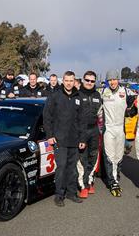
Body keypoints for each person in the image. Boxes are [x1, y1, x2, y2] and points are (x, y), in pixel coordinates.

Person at [43, 71, 87, 207]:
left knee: (72, 168)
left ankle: (72, 193)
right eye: (66, 80)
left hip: (74, 139)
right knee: (61, 168)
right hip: (59, 140)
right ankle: (59, 195)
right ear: (63, 81)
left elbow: (82, 120)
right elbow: (47, 116)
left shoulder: (79, 96)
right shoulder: (55, 96)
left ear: (74, 81)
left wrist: (82, 139)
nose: (69, 83)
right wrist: (50, 136)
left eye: (71, 80)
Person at [102, 69, 136, 197]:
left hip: (121, 128)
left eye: (114, 79)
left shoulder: (126, 91)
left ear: (118, 79)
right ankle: (112, 182)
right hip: (108, 128)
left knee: (119, 156)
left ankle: (116, 177)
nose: (112, 82)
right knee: (110, 156)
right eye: (110, 80)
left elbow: (134, 103)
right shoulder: (103, 92)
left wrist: (131, 111)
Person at [77, 71, 102, 198]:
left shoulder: (98, 95)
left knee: (93, 156)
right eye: (87, 80)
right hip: (81, 131)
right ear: (83, 80)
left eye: (92, 81)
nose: (89, 83)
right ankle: (83, 185)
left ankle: (90, 180)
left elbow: (101, 115)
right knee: (82, 158)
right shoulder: (77, 95)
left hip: (94, 130)